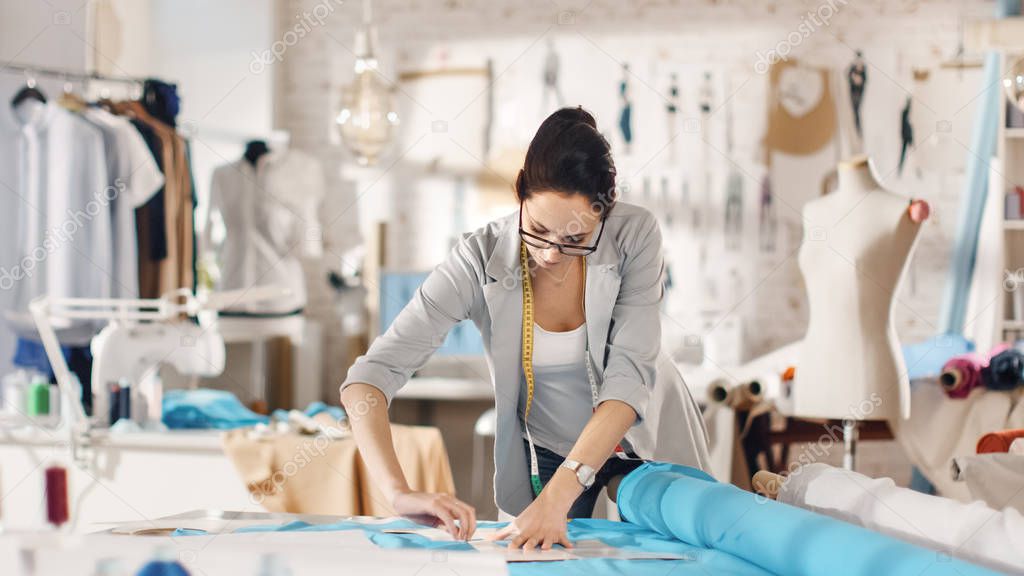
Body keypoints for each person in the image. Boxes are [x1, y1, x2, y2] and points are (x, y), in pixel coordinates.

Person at [340, 106, 710, 550]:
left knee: (677, 559)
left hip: (640, 436)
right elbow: (368, 379)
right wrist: (398, 492)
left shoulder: (634, 236)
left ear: (604, 213)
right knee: (534, 559)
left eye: (574, 239)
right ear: (519, 193)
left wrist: (559, 498)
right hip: (552, 448)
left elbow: (627, 381)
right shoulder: (478, 259)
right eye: (537, 229)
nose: (552, 254)